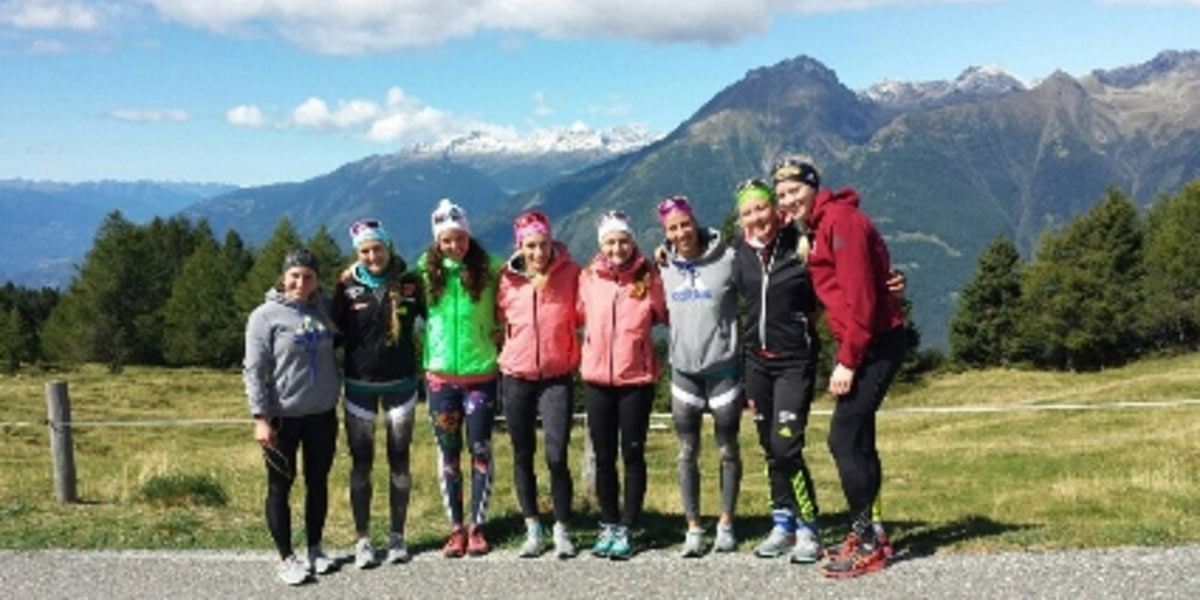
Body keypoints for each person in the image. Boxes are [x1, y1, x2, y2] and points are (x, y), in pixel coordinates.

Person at [770, 157, 908, 578]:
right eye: (782, 196)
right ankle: (870, 534)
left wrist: (848, 360)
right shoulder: (818, 225)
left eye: (795, 191)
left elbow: (862, 299)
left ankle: (866, 540)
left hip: (874, 343)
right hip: (869, 340)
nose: (789, 201)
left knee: (843, 440)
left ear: (814, 187)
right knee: (860, 439)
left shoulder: (841, 222)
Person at [729, 179, 826, 564]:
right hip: (757, 362)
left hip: (794, 363)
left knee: (787, 446)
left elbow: (827, 292)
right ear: (742, 220)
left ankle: (808, 526)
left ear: (776, 210)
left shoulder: (800, 245)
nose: (757, 218)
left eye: (761, 208)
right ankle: (782, 522)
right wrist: (666, 250)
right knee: (771, 447)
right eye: (748, 212)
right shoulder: (739, 252)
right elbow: (697, 246)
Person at [331, 219, 424, 569]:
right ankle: (363, 540)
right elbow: (333, 333)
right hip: (359, 388)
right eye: (365, 251)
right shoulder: (346, 286)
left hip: (402, 385)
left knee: (399, 460)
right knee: (361, 464)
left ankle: (397, 538)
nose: (372, 256)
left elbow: (433, 322)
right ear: (358, 253)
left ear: (389, 247)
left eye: (377, 248)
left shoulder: (411, 284)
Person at [244, 248, 339, 585]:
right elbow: (253, 370)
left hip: (323, 415)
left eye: (308, 276)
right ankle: (285, 558)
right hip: (282, 417)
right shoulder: (264, 316)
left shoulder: (324, 308)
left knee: (318, 483)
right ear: (283, 277)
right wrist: (260, 418)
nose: (301, 282)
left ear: (317, 280)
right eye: (294, 276)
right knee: (279, 487)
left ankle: (315, 548)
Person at [655, 195, 744, 557]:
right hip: (684, 373)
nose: (680, 233)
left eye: (684, 225)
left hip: (723, 370)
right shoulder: (664, 264)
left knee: (727, 449)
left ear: (695, 223)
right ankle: (693, 527)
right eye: (672, 229)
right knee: (686, 451)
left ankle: (726, 523)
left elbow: (756, 287)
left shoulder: (728, 259)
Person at [578, 210, 668, 560]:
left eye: (623, 240)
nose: (617, 248)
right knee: (603, 457)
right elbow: (576, 314)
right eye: (610, 242)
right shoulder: (589, 278)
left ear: (632, 241)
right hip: (598, 379)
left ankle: (628, 527)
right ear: (601, 245)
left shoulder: (649, 277)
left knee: (632, 453)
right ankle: (608, 523)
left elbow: (665, 313)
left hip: (636, 380)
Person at [416, 198, 504, 558]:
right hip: (440, 378)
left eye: (460, 238)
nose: (455, 246)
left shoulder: (492, 269)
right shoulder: (423, 274)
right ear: (437, 240)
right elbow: (387, 279)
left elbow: (527, 270)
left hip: (480, 373)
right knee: (448, 454)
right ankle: (455, 529)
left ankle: (477, 526)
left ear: (469, 235)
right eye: (447, 240)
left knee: (480, 451)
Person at [496, 210, 583, 558]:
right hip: (516, 375)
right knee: (522, 455)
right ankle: (533, 529)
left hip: (557, 375)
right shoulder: (506, 279)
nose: (538, 252)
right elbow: (495, 317)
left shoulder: (571, 273)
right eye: (530, 246)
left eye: (543, 244)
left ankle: (562, 528)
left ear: (552, 242)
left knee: (556, 454)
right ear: (519, 246)